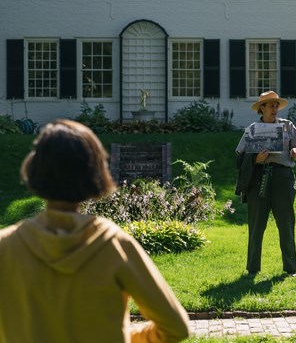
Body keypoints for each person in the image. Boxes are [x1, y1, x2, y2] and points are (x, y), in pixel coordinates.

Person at [0, 120, 190, 343]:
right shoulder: (114, 245)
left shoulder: (6, 247)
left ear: (33, 170)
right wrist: (126, 336)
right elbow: (176, 327)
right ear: (96, 173)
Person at [235, 91, 296, 276]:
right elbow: (239, 158)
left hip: (283, 178)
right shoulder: (252, 129)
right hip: (258, 178)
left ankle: (290, 269)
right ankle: (252, 268)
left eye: (276, 105)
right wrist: (256, 159)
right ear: (262, 108)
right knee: (256, 225)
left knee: (286, 224)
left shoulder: (288, 126)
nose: (274, 108)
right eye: (270, 105)